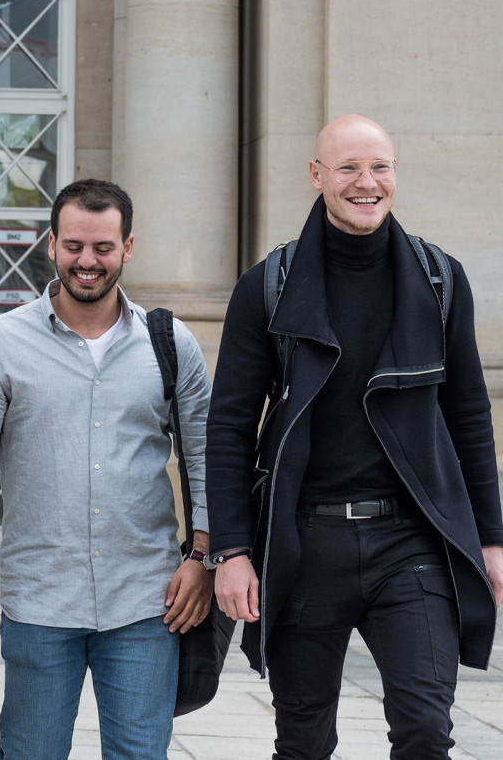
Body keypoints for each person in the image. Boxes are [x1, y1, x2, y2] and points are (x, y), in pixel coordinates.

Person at [206, 114, 503, 759]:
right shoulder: (267, 287)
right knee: (305, 741)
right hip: (305, 545)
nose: (367, 183)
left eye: (380, 167)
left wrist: (492, 539)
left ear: (396, 173)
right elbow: (229, 428)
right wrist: (231, 550)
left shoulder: (440, 280)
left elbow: (470, 417)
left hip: (412, 542)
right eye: (348, 168)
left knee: (427, 731)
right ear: (317, 176)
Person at [0, 179, 214, 760]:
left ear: (128, 247)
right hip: (40, 598)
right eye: (74, 246)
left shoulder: (170, 344)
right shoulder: (0, 345)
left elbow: (210, 459)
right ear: (51, 244)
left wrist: (203, 559)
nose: (87, 261)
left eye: (103, 247)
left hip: (146, 599)